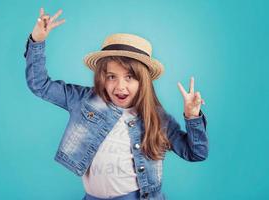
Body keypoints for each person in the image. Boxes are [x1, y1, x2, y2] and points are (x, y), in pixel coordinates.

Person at [24, 8, 208, 200]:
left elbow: (196, 153)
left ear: (143, 81)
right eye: (111, 77)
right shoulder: (83, 100)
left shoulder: (157, 118)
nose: (120, 86)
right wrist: (37, 41)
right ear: (101, 78)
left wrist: (192, 117)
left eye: (130, 77)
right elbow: (40, 85)